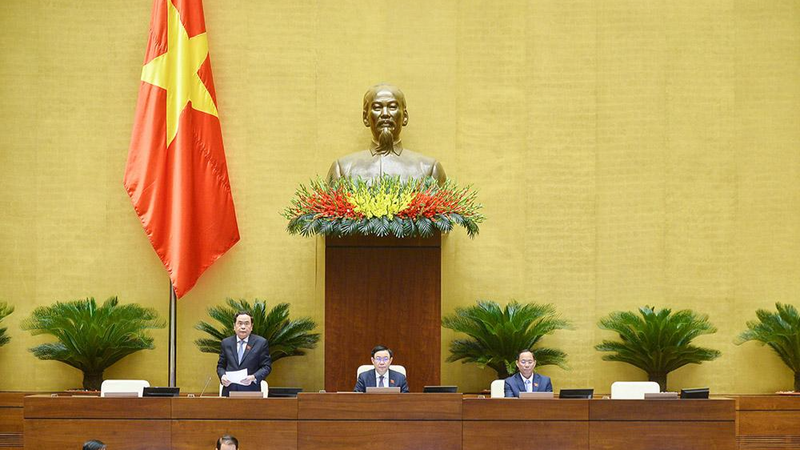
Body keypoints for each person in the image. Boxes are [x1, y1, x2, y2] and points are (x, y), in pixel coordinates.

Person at [327, 84, 446, 185]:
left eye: (392, 107)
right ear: (365, 117)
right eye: (377, 107)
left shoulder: (428, 169)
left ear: (405, 116)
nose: (385, 114)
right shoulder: (343, 169)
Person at [217, 311, 272, 396]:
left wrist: (253, 377)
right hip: (229, 391)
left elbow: (266, 367)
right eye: (240, 323)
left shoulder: (261, 343)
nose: (243, 327)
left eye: (246, 323)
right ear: (234, 326)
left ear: (251, 327)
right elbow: (221, 366)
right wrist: (222, 376)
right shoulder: (226, 343)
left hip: (251, 392)